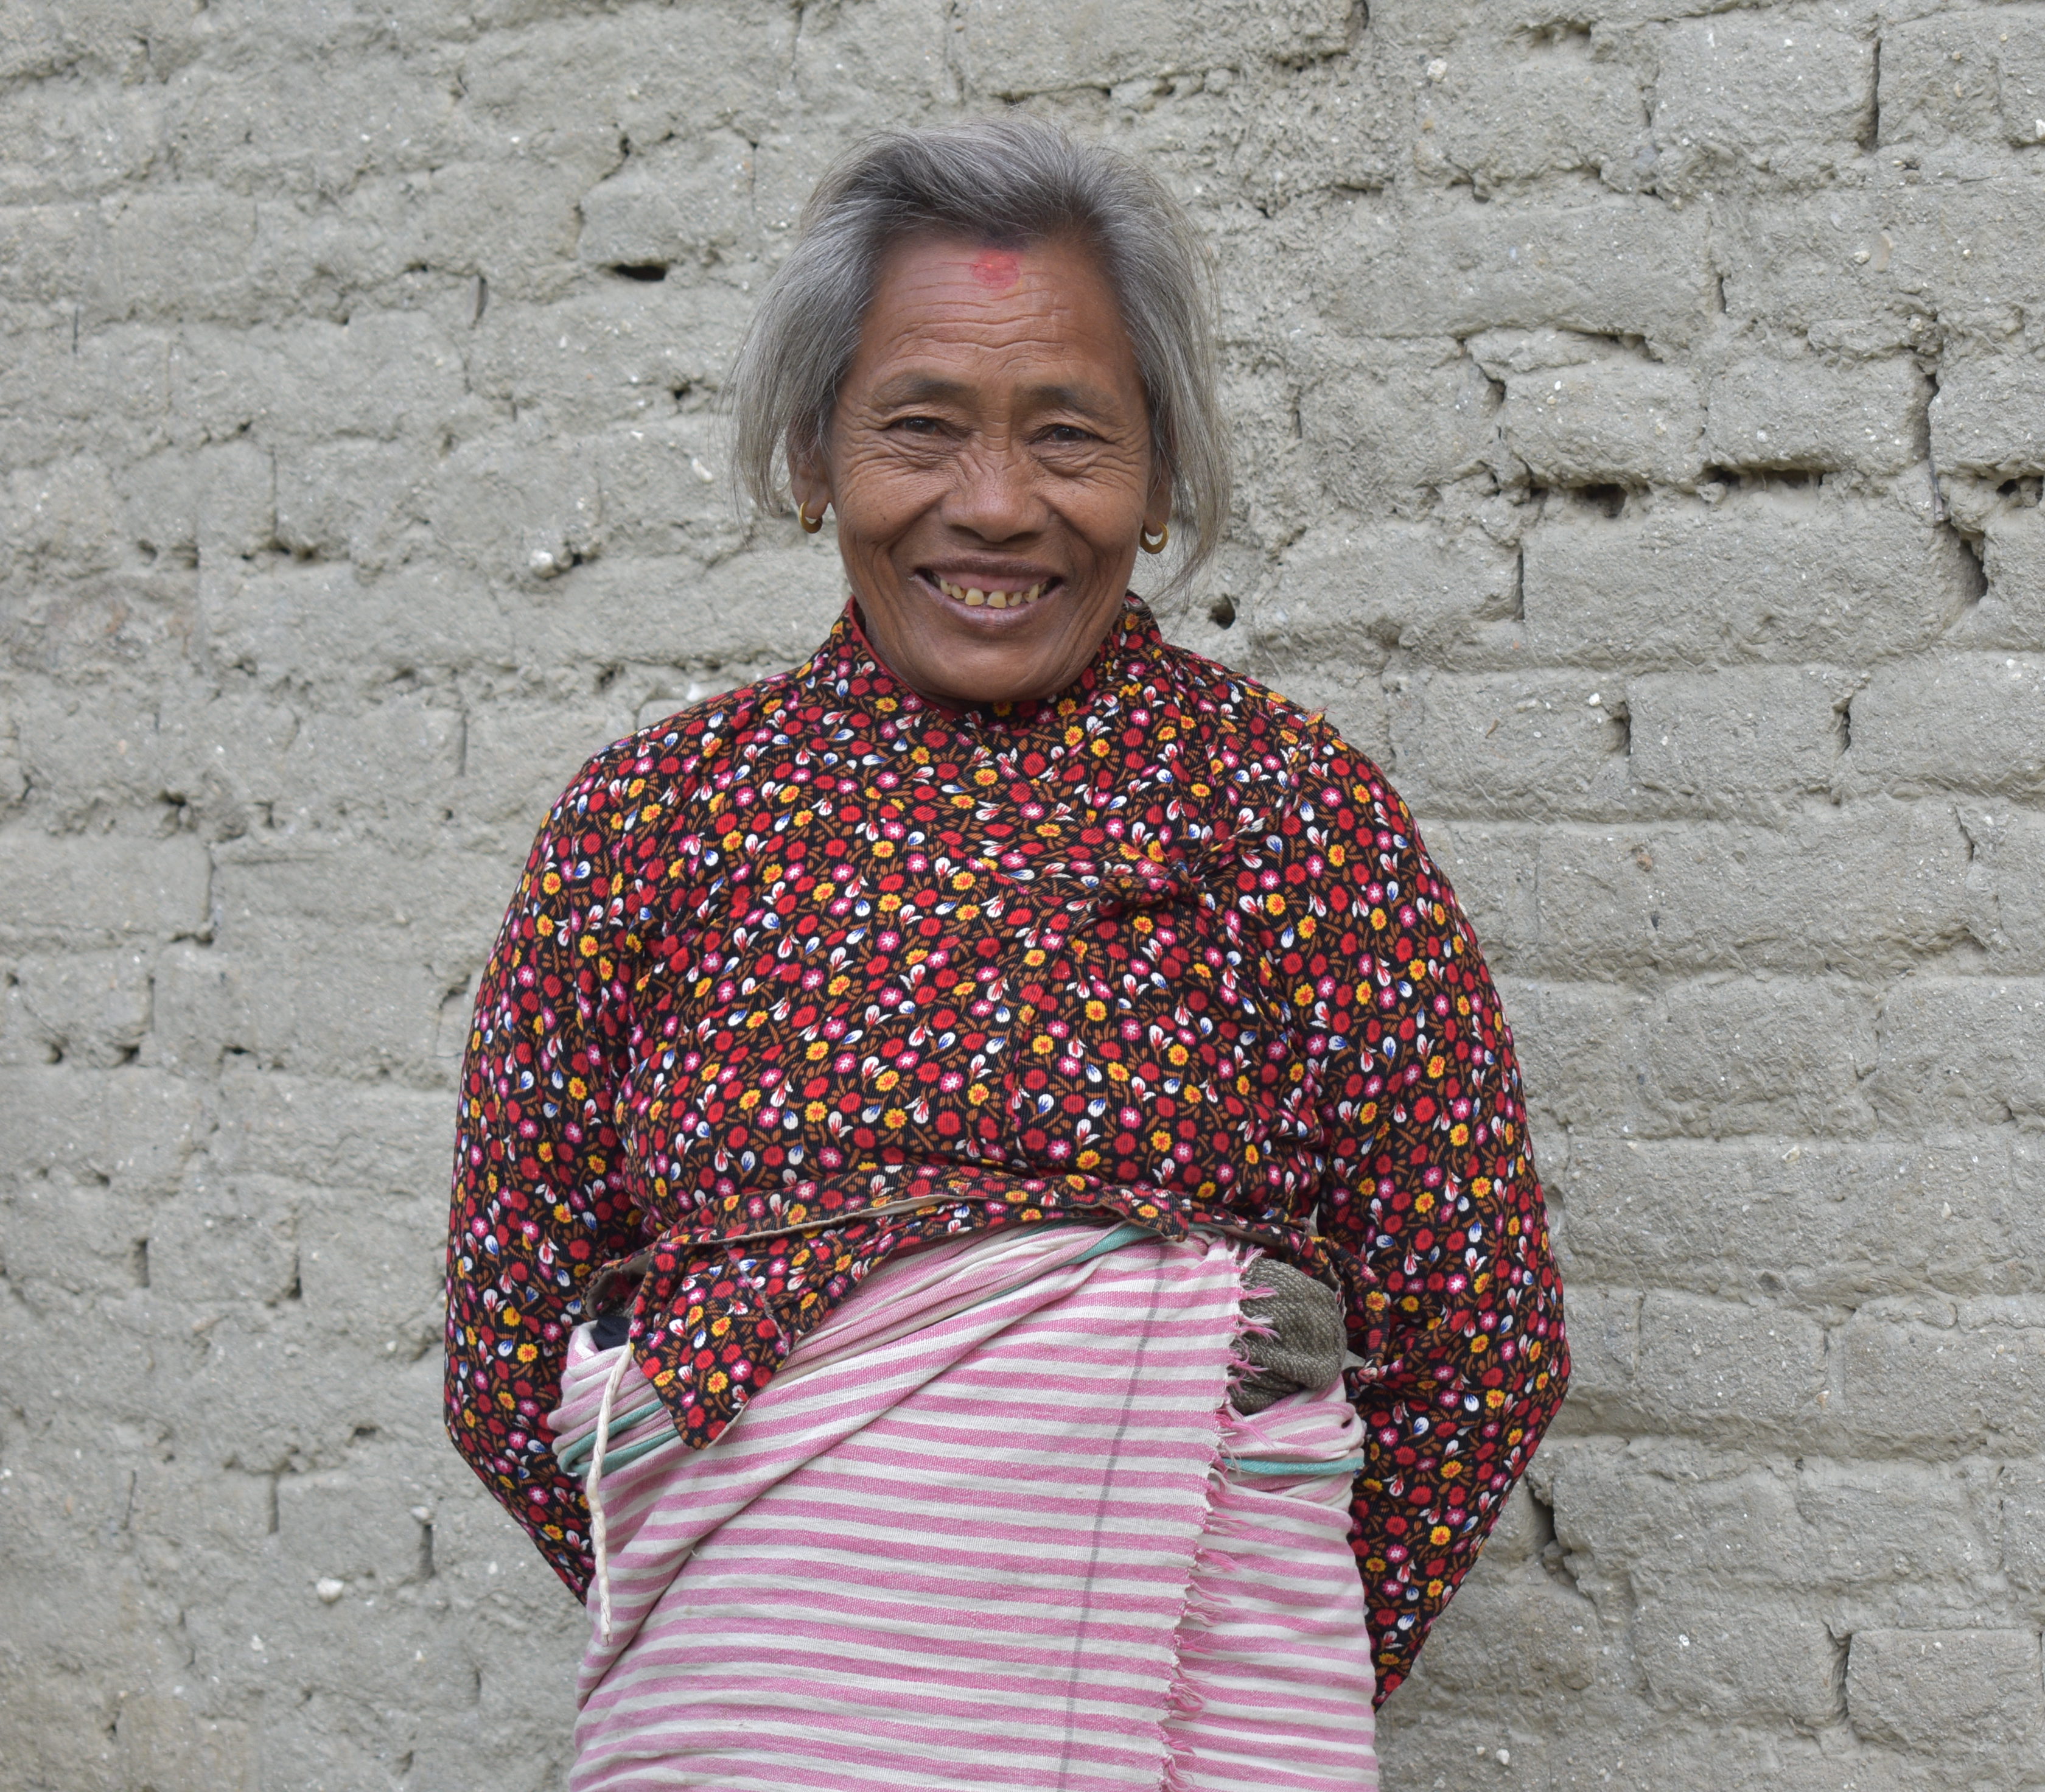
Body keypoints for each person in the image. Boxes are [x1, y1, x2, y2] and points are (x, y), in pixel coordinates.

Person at [444, 114, 1568, 1792]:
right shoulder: (656, 826)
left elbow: (1479, 1339)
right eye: (920, 428)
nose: (994, 507)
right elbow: (506, 1341)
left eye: (1069, 436)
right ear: (819, 452)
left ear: (1162, 471)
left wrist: (1242, 1645)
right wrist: (776, 1633)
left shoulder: (1288, 819)